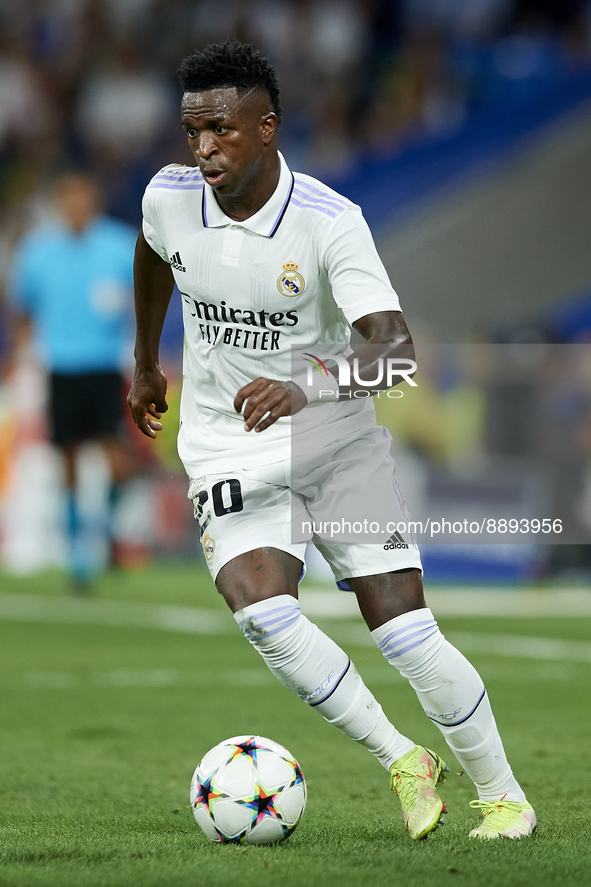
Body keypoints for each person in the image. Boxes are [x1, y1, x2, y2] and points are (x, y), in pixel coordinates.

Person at [128, 40, 536, 841]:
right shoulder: (168, 196)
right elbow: (151, 250)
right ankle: (399, 757)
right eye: (192, 132)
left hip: (334, 435)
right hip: (228, 440)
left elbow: (394, 350)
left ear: (267, 125)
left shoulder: (327, 222)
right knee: (261, 606)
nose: (204, 148)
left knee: (403, 629)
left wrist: (304, 384)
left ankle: (504, 796)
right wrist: (145, 359)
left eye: (221, 129)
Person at [9, 172, 136, 588]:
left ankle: (108, 530)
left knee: (118, 462)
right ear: (60, 204)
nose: (76, 207)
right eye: (69, 200)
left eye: (83, 199)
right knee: (67, 462)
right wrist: (18, 357)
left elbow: (146, 302)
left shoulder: (119, 245)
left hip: (104, 368)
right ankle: (80, 553)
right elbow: (23, 309)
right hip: (61, 367)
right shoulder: (39, 252)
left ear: (94, 201)